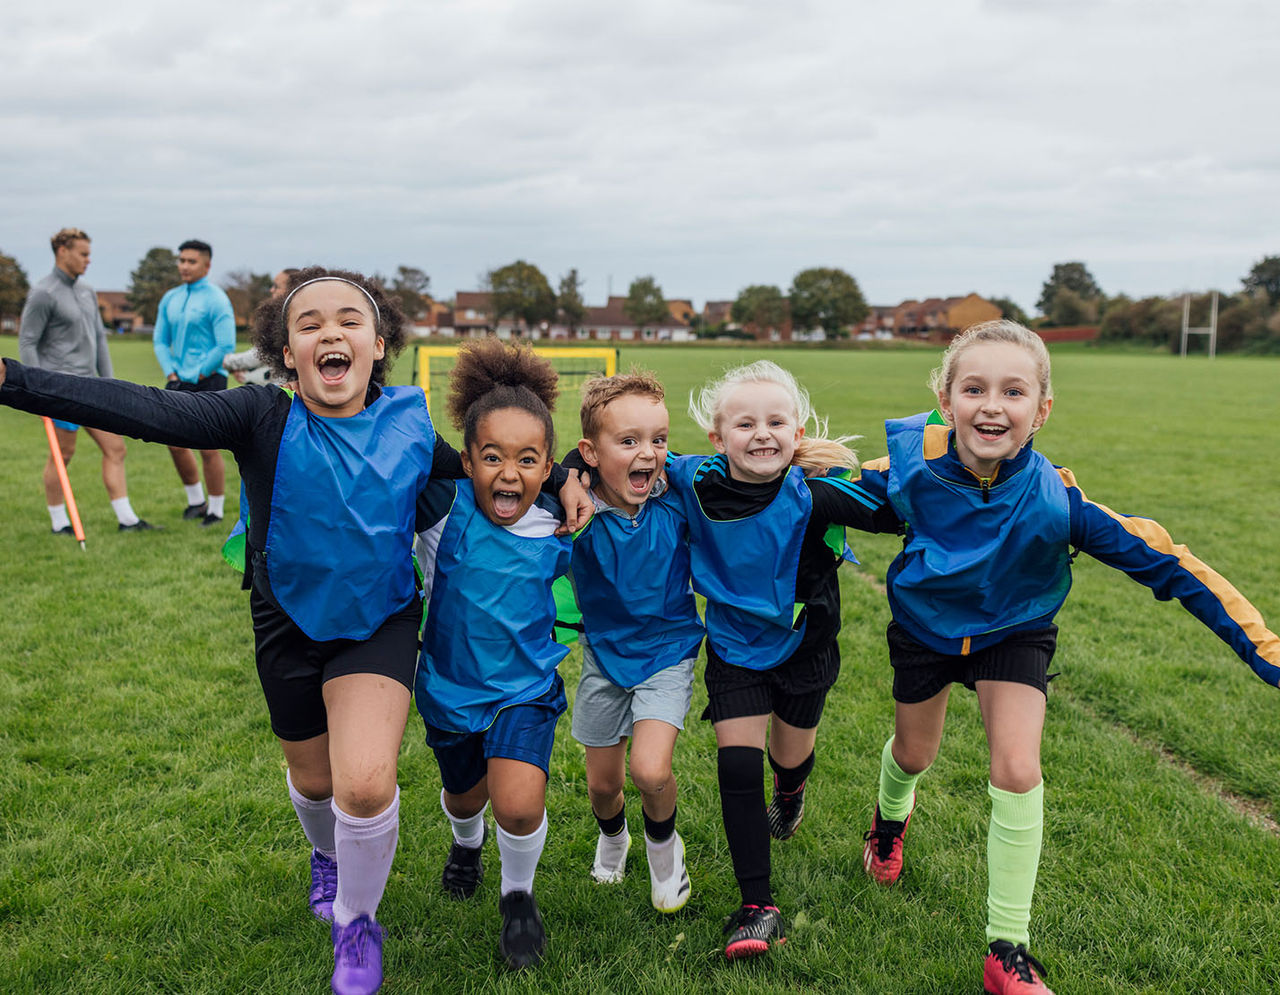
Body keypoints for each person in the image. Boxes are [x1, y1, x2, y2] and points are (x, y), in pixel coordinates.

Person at [0, 267, 591, 995]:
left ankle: (356, 924)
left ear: (378, 344)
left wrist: (565, 470)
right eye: (309, 323)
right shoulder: (260, 417)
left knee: (366, 785)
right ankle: (326, 854)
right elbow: (145, 407)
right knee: (313, 783)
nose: (330, 333)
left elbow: (494, 463)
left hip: (377, 623)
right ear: (287, 349)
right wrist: (11, 378)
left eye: (349, 320)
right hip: (286, 621)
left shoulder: (409, 425)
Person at [843, 319, 1280, 995]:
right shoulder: (906, 473)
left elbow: (1172, 563)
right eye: (974, 387)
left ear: (1041, 409)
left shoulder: (1057, 503)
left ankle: (1006, 949)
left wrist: (1265, 649)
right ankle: (889, 823)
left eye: (1013, 391)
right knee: (913, 753)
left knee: (1018, 767)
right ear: (946, 396)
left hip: (1014, 630)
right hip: (926, 631)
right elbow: (803, 498)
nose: (992, 404)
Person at [663, 360, 901, 959]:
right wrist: (573, 472)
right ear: (718, 439)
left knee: (788, 757)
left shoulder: (816, 492)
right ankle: (757, 906)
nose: (762, 433)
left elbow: (896, 512)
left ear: (796, 434)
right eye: (745, 423)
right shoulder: (691, 481)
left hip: (806, 648)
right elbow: (626, 462)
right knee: (737, 769)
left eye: (777, 421)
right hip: (735, 651)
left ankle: (790, 792)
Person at [413, 338, 575, 971]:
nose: (509, 474)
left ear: (548, 466)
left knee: (518, 802)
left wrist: (575, 484)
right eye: (492, 457)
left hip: (526, 690)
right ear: (466, 461)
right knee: (466, 799)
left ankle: (518, 900)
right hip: (449, 690)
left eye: (528, 460)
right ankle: (465, 844)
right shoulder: (438, 511)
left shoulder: (562, 521)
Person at [563, 372, 702, 913]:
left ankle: (664, 849)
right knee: (602, 788)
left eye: (659, 439)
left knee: (649, 770)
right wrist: (567, 478)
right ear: (590, 453)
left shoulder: (678, 492)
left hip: (668, 652)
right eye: (629, 441)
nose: (649, 453)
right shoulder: (571, 509)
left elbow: (740, 465)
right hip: (603, 658)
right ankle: (614, 836)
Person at [18, 227, 155, 533]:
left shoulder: (87, 291)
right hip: (59, 390)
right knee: (63, 454)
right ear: (62, 251)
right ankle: (59, 522)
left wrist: (110, 386)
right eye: (83, 254)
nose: (88, 260)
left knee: (116, 448)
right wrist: (34, 391)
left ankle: (127, 519)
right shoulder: (43, 292)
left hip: (92, 387)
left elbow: (99, 340)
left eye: (89, 254)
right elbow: (27, 342)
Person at [152, 238, 236, 526]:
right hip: (177, 379)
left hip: (209, 377)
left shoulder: (216, 299)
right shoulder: (170, 298)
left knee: (207, 446)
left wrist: (199, 373)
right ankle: (196, 501)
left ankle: (215, 509)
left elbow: (225, 345)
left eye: (191, 261)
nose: (184, 266)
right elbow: (160, 340)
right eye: (181, 260)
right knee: (174, 443)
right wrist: (172, 373)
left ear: (207, 265)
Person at [224, 269, 298, 385]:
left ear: (290, 290)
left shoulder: (285, 321)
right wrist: (247, 377)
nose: (271, 290)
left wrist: (228, 361)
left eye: (276, 286)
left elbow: (261, 354)